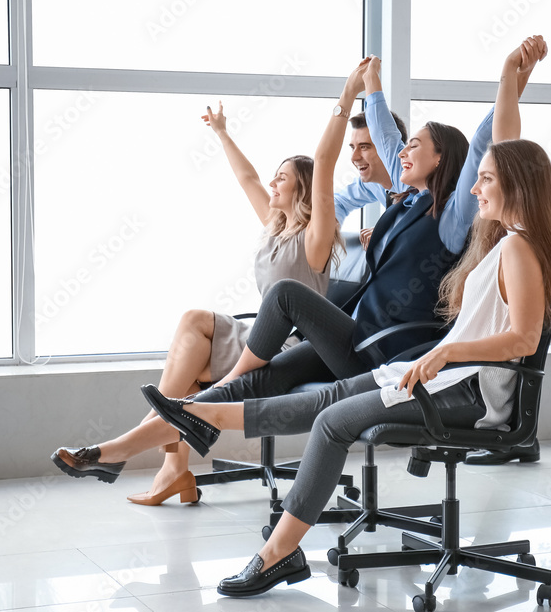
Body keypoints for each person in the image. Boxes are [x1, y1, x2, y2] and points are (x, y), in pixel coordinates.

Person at [142, 40, 551, 596]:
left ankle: (276, 550)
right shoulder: (497, 236)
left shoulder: (514, 246)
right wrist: (508, 81)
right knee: (327, 402)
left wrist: (446, 351)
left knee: (329, 419)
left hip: (466, 388)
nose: (478, 184)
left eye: (486, 179)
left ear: (514, 186)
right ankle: (205, 416)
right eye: (477, 178)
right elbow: (497, 142)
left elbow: (525, 337)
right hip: (439, 372)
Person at [49, 101, 343, 503]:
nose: (273, 185)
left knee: (190, 350)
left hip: (284, 347)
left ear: (303, 189)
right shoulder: (276, 230)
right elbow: (247, 178)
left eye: (283, 179)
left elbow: (324, 175)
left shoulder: (313, 241)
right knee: (192, 329)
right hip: (254, 332)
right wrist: (222, 132)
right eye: (275, 178)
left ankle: (138, 449)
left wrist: (343, 103)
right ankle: (170, 468)